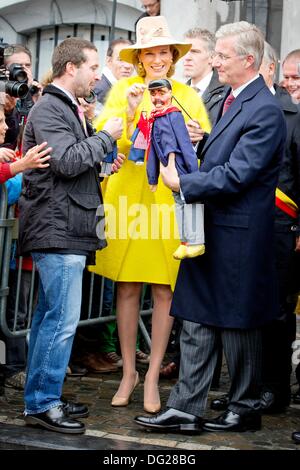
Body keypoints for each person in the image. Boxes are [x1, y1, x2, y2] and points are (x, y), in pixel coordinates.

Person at [134, 21, 286, 433]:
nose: (215, 62)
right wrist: (200, 143)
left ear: (248, 60)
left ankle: (244, 406)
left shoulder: (266, 109)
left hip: (238, 232)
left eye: (221, 55)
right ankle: (186, 406)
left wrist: (183, 181)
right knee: (197, 315)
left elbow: (239, 174)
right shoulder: (232, 99)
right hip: (211, 227)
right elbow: (224, 158)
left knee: (238, 321)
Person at [90, 15, 210, 414]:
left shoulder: (187, 95)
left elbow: (202, 143)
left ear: (172, 57)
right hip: (127, 196)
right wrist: (126, 113)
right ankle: (129, 371)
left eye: (163, 52)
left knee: (164, 289)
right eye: (150, 53)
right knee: (126, 286)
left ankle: (154, 374)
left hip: (166, 201)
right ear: (139, 58)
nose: (157, 59)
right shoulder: (123, 90)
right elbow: (104, 141)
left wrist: (196, 136)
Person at [18, 37, 124, 434]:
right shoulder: (50, 107)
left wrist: (97, 141)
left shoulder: (65, 108)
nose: (98, 75)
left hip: (66, 226)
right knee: (60, 320)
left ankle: (44, 397)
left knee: (53, 319)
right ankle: (43, 403)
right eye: (94, 67)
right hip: (56, 228)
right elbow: (64, 162)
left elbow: (75, 161)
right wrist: (106, 136)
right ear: (71, 68)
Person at [210, 41, 300, 414]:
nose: (291, 84)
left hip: (284, 227)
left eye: (298, 79)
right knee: (251, 308)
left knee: (278, 312)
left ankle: (274, 390)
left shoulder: (288, 116)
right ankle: (245, 390)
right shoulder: (247, 108)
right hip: (255, 225)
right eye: (289, 78)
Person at [147, 78, 205, 259]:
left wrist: (193, 175)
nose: (157, 97)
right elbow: (153, 149)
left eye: (161, 92)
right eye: (153, 93)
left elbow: (186, 145)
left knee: (190, 203)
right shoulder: (155, 119)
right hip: (167, 170)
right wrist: (152, 177)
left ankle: (197, 241)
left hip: (182, 169)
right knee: (179, 205)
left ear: (170, 94)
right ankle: (185, 242)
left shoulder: (175, 115)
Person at [183, 28, 228, 125]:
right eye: (185, 51)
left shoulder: (227, 93)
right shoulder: (175, 93)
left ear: (212, 57)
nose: (187, 58)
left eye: (194, 52)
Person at [94, 38, 134, 106]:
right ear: (109, 61)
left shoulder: (120, 86)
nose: (128, 66)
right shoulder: (100, 90)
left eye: (130, 59)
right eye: (120, 59)